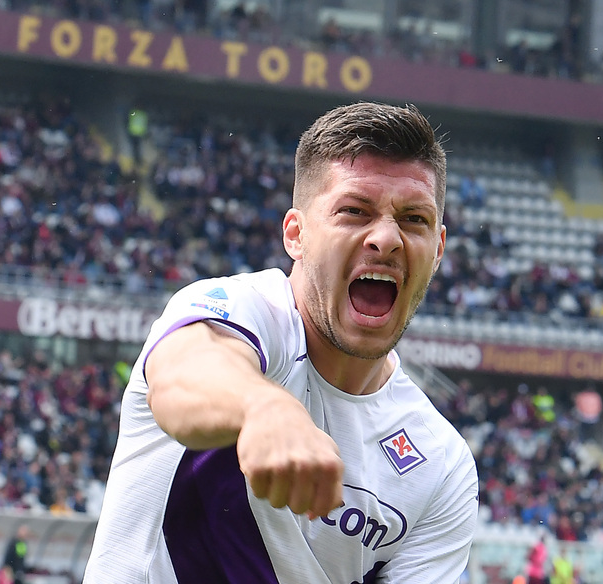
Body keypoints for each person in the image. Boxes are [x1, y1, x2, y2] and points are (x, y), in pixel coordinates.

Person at [84, 102, 480, 583]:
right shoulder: (241, 311)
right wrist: (264, 409)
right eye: (354, 211)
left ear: (437, 250)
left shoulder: (442, 464)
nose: (386, 238)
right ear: (297, 235)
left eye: (413, 219)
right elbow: (184, 377)